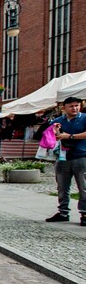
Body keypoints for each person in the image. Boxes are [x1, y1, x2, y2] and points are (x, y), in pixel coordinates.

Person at [45, 96, 86, 225]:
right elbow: (48, 136)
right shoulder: (58, 121)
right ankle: (63, 212)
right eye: (71, 106)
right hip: (63, 157)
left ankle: (84, 213)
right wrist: (55, 132)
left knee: (83, 187)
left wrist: (69, 136)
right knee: (62, 187)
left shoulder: (84, 118)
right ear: (64, 108)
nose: (74, 108)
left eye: (77, 106)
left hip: (81, 156)